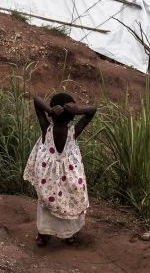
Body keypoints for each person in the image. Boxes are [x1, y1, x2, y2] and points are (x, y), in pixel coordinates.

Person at [25, 94, 97, 246]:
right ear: (72, 118)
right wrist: (78, 109)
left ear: (51, 116)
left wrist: (49, 109)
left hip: (48, 180)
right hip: (69, 178)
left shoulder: (46, 129)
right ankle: (68, 235)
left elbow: (37, 100)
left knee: (46, 204)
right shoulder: (74, 132)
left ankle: (43, 235)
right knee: (69, 202)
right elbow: (92, 110)